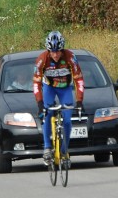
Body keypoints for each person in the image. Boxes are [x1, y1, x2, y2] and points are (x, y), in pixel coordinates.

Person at [32, 30, 84, 162]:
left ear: (62, 49)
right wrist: (39, 103)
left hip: (65, 88)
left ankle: (64, 151)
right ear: (48, 50)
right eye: (52, 52)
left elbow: (79, 80)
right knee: (47, 114)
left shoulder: (70, 57)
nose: (55, 55)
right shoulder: (42, 60)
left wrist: (79, 101)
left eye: (58, 51)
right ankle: (47, 148)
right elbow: (36, 84)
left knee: (67, 120)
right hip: (49, 88)